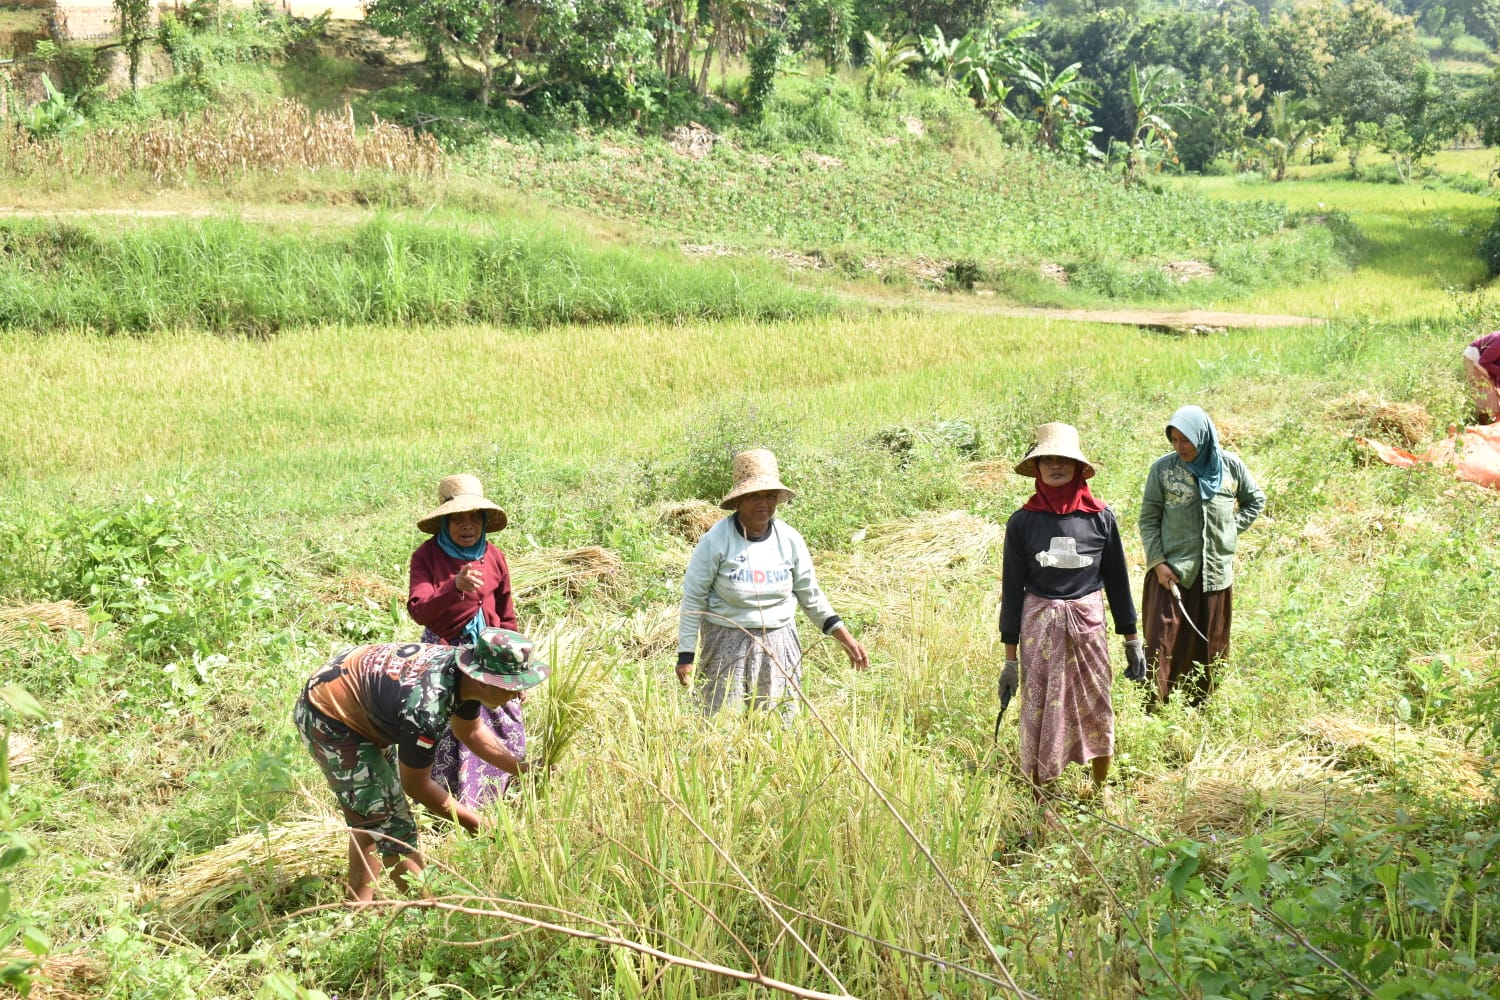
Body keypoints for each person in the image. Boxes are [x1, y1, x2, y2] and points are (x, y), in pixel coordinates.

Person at [293, 628, 548, 903]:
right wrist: (478, 824)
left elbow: (470, 732)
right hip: (331, 717)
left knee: (373, 809)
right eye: (514, 686)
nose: (520, 694)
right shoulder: (427, 708)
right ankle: (429, 919)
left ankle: (357, 905)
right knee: (394, 827)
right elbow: (416, 785)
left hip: (359, 699)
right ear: (484, 681)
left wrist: (523, 769)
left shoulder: (463, 678)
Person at [999, 423, 1144, 803]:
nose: (1056, 466)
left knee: (1097, 704)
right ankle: (1041, 791)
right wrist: (1009, 661)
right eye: (1048, 459)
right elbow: (1012, 591)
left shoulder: (1100, 519)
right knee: (1040, 707)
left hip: (1088, 627)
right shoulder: (1022, 522)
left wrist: (1132, 640)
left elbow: (1117, 581)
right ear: (1038, 468)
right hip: (1038, 628)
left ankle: (1099, 790)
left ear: (1078, 467)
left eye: (1064, 459)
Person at [676, 449, 869, 717]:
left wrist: (846, 639)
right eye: (754, 495)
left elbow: (810, 595)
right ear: (739, 501)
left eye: (769, 495)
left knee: (777, 724)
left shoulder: (790, 540)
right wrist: (686, 656)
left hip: (779, 643)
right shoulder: (715, 542)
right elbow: (693, 600)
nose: (763, 503)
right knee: (722, 724)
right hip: (726, 643)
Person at [407, 474, 523, 806]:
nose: (467, 525)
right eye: (458, 518)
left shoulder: (494, 556)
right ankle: (449, 804)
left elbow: (506, 612)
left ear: (484, 520)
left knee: (502, 718)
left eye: (474, 517)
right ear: (445, 521)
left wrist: (516, 669)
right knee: (448, 728)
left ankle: (498, 798)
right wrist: (453, 586)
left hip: (490, 651)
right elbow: (420, 609)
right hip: (443, 653)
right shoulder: (427, 557)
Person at [1138, 405, 1265, 707]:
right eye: (1174, 440)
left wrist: (1230, 531)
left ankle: (1200, 708)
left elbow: (1255, 500)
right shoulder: (1163, 470)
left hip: (1215, 575)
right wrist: (1157, 563)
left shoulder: (1229, 466)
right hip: (1173, 574)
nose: (1180, 447)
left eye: (1186, 440)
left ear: (1203, 437)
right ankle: (1155, 709)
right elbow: (1148, 519)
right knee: (1162, 644)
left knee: (1210, 644)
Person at [1464, 331, 1500, 423]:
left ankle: (1491, 424)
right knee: (1485, 392)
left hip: (1486, 361)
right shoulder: (1498, 342)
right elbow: (1483, 361)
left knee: (1493, 394)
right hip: (1474, 359)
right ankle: (1483, 426)